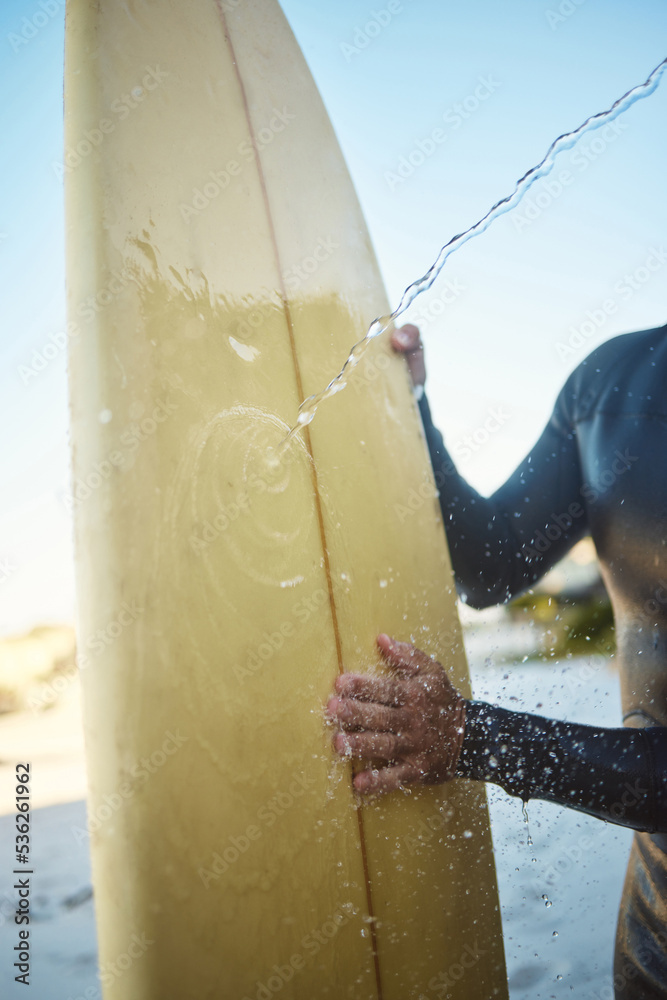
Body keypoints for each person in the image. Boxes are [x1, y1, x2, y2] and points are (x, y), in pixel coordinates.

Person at [327, 321, 667, 999]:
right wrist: (408, 405)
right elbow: (492, 563)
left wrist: (472, 737)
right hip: (653, 928)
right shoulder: (611, 382)